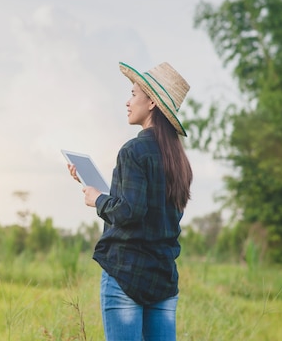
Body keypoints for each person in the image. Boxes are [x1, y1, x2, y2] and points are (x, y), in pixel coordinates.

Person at [68, 61, 193, 341]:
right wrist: (94, 188)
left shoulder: (134, 150)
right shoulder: (179, 160)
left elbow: (129, 211)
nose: (128, 101)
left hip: (127, 273)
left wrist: (97, 199)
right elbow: (148, 210)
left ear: (151, 103)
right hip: (162, 277)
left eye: (134, 94)